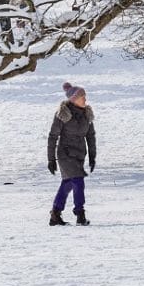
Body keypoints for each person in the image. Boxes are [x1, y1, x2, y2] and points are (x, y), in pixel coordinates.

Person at [47, 84, 96, 225]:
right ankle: (79, 213)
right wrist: (51, 159)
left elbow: (91, 136)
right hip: (65, 154)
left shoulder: (87, 114)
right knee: (78, 181)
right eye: (82, 97)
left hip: (79, 155)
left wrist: (93, 156)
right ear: (74, 99)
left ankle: (55, 214)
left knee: (68, 183)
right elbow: (52, 137)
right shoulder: (62, 114)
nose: (85, 99)